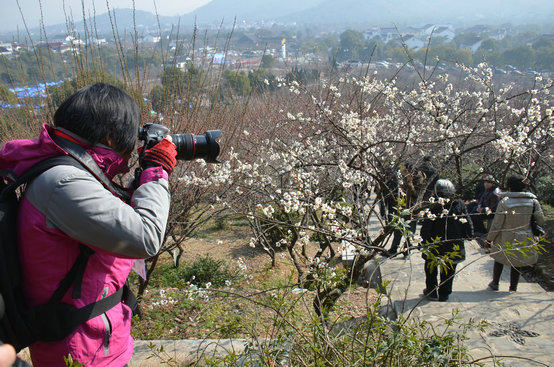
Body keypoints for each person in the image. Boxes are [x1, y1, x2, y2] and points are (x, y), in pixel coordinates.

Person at [0, 83, 177, 366]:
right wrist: (157, 170)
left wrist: (142, 178)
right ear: (109, 135)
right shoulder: (63, 182)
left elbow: (112, 219)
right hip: (82, 352)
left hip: (95, 342)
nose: (131, 152)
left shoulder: (67, 170)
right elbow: (146, 237)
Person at [486, 175, 545, 292]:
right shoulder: (533, 201)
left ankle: (495, 283)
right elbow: (541, 220)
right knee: (517, 261)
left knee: (499, 258)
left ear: (509, 187)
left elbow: (497, 224)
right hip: (525, 235)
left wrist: (489, 239)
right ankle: (513, 287)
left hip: (505, 236)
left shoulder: (505, 202)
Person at [420, 179, 474, 302]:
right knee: (449, 269)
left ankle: (432, 291)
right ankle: (444, 293)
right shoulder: (459, 203)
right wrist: (469, 234)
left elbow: (427, 225)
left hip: (434, 243)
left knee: (431, 268)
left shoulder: (433, 204)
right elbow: (467, 221)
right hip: (453, 243)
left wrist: (423, 241)